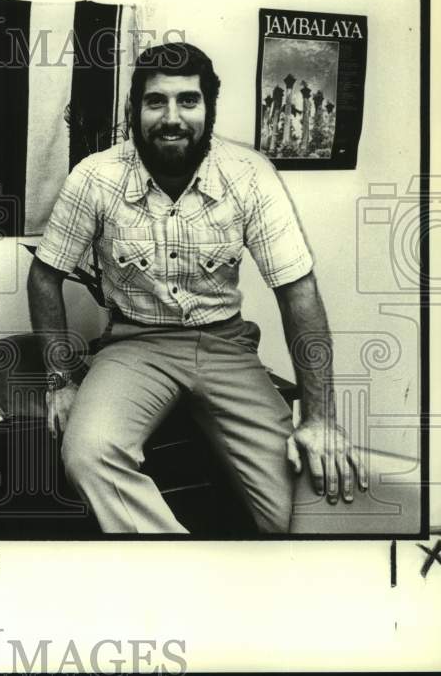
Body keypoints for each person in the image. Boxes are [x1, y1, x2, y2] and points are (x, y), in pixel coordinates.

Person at [27, 42, 367, 533]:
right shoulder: (95, 177)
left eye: (188, 100)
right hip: (134, 345)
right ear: (133, 110)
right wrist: (60, 381)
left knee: (295, 509)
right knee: (88, 454)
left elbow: (299, 292)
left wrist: (319, 418)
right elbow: (45, 274)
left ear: (209, 110)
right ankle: (178, 571)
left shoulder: (250, 175)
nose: (172, 117)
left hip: (225, 344)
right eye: (155, 101)